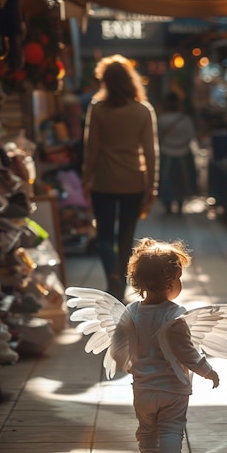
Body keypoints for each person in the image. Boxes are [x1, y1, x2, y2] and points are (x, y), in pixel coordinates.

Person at [112, 237, 220, 453]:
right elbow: (187, 352)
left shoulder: (131, 312)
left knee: (147, 430)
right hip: (172, 389)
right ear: (171, 280)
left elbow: (118, 346)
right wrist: (208, 371)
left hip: (143, 389)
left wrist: (127, 364)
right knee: (171, 429)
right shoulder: (174, 315)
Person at [82, 54, 159, 302]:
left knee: (104, 235)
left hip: (103, 181)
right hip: (133, 182)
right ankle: (121, 285)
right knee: (126, 236)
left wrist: (86, 180)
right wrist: (151, 186)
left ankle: (112, 278)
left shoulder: (98, 110)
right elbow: (150, 153)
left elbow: (91, 149)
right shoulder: (143, 111)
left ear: (105, 81)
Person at [157, 92, 198, 214]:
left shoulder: (161, 120)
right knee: (182, 181)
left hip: (166, 152)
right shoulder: (186, 120)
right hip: (183, 153)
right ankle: (180, 204)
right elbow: (191, 136)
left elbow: (157, 137)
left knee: (166, 180)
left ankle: (168, 205)